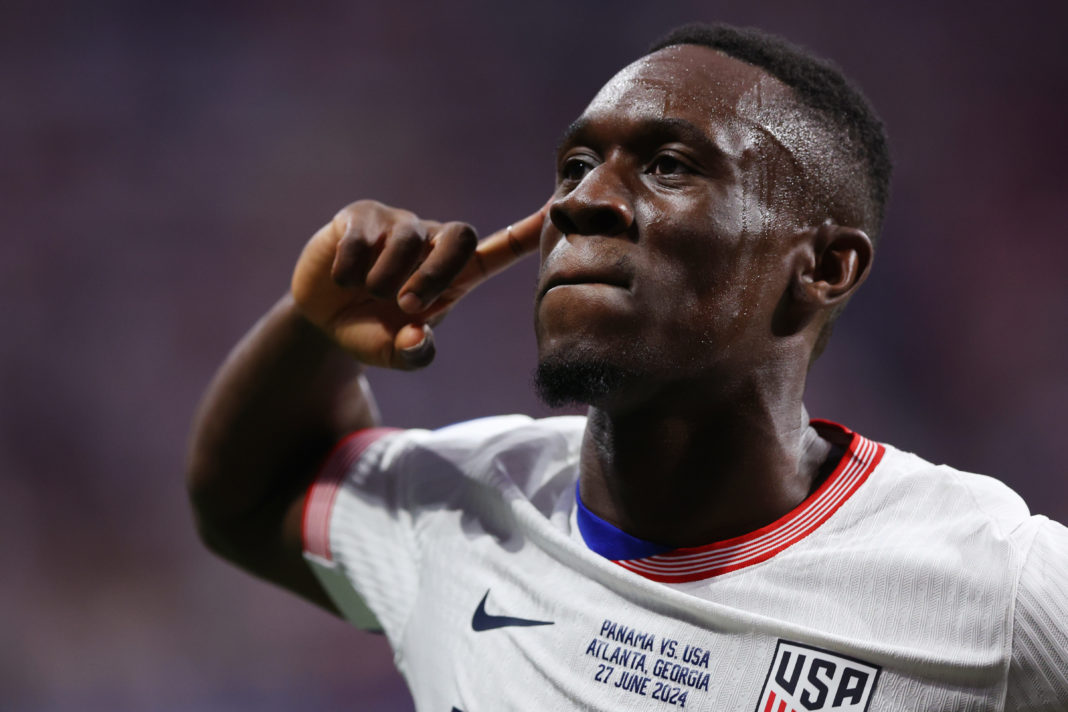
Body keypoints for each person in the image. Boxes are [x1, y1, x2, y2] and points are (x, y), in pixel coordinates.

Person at [187, 22, 1067, 711]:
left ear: (823, 268)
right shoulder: (467, 508)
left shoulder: (994, 589)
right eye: (575, 165)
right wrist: (313, 328)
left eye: (669, 165)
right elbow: (250, 495)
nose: (582, 202)